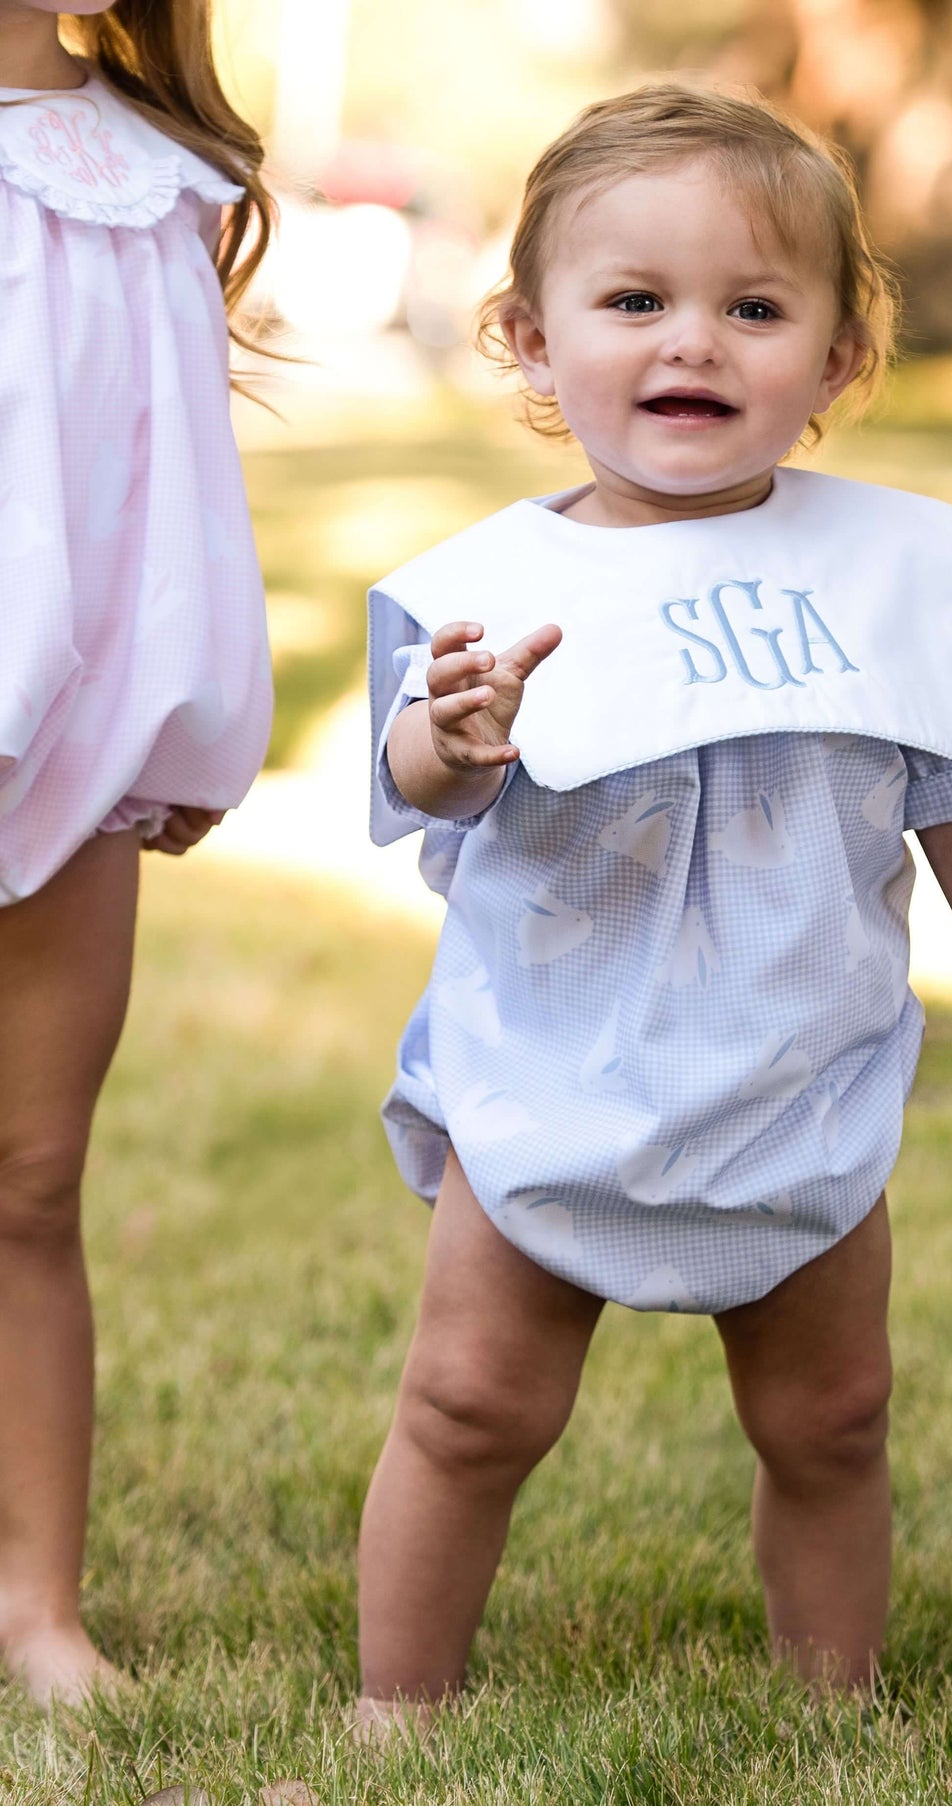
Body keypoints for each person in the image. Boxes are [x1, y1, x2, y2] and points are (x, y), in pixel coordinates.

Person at [359, 83, 952, 1724]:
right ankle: (397, 1701)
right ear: (524, 333)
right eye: (633, 301)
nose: (690, 343)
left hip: (799, 1062)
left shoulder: (888, 570)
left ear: (840, 357)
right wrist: (453, 733)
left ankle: (830, 1700)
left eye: (753, 307)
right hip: (553, 1063)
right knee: (469, 1403)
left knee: (832, 1415)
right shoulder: (486, 585)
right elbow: (415, 778)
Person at [0, 0, 273, 1702]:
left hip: (71, 736)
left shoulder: (150, 178)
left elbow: (171, 486)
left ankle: (35, 1604)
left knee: (28, 1172)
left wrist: (183, 720)